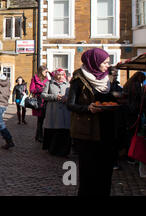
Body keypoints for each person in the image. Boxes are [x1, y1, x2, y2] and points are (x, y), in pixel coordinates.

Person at [67, 48, 122, 196]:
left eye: (108, 62)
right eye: (104, 62)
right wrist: (87, 108)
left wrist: (120, 97)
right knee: (89, 171)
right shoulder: (79, 79)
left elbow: (116, 97)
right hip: (87, 132)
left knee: (106, 170)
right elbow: (70, 105)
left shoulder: (110, 79)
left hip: (108, 131)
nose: (107, 65)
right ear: (94, 62)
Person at [41, 68, 71, 157]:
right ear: (55, 75)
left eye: (62, 75)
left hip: (65, 111)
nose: (60, 76)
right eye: (59, 74)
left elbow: (72, 96)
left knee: (64, 132)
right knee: (54, 131)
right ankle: (53, 150)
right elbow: (43, 95)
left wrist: (67, 99)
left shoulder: (68, 85)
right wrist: (54, 97)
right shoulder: (49, 83)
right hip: (53, 111)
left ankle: (64, 151)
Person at [29, 65, 49, 142]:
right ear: (41, 71)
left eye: (47, 72)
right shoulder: (34, 79)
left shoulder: (47, 79)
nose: (46, 73)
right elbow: (32, 90)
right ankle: (40, 136)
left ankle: (38, 136)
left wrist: (49, 73)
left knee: (44, 119)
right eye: (45, 72)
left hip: (46, 101)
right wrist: (41, 90)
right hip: (39, 101)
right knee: (40, 120)